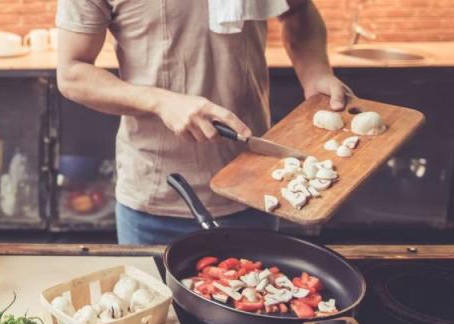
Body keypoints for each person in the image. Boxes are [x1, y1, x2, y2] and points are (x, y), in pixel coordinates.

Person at [55, 0, 353, 245]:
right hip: (155, 199)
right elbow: (72, 73)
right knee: (155, 318)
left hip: (254, 186)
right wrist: (160, 101)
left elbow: (298, 10)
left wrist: (315, 71)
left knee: (255, 312)